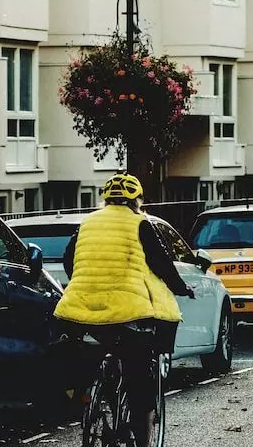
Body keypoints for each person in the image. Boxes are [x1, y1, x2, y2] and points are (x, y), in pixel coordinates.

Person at [54, 173, 194, 447]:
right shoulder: (139, 223)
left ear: (106, 199)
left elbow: (69, 260)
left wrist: (87, 282)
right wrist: (181, 288)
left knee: (88, 353)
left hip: (79, 310)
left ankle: (92, 401)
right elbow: (161, 263)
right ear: (137, 200)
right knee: (139, 371)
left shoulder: (86, 223)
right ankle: (143, 438)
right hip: (128, 313)